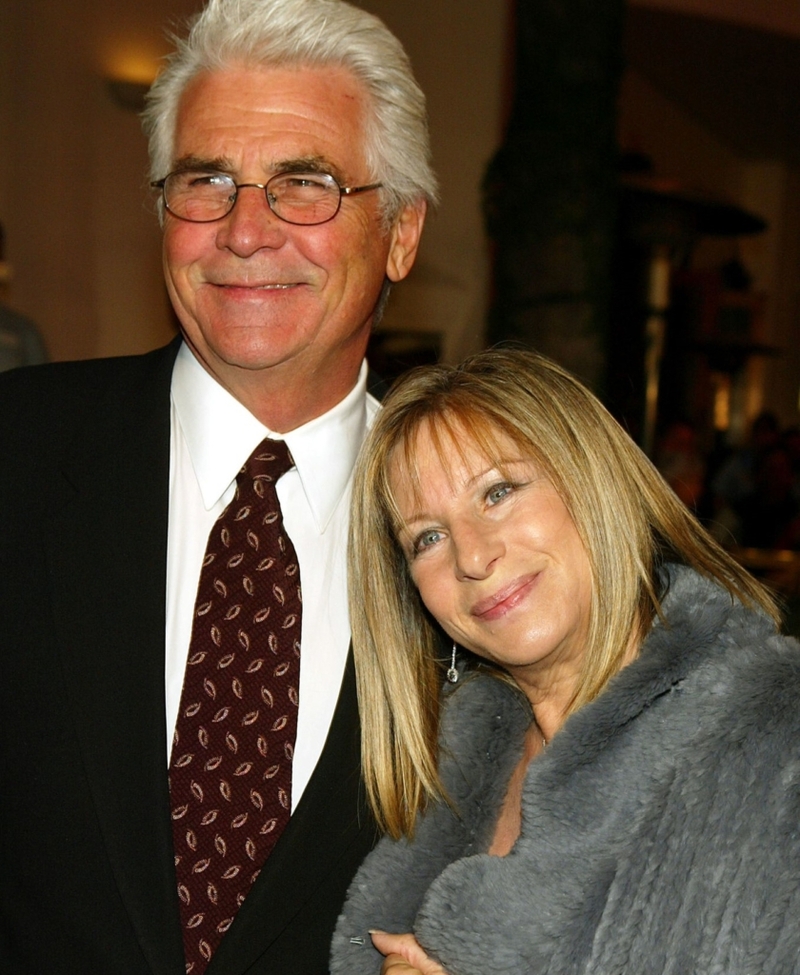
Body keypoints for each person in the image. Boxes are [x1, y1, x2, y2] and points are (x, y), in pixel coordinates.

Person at [0, 0, 434, 972]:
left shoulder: (492, 533)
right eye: (206, 182)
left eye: (303, 185)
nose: (244, 231)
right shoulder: (16, 457)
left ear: (401, 232)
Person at [330, 348, 800, 975]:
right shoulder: (438, 780)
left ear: (591, 480)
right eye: (428, 538)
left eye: (497, 492)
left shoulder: (776, 739)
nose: (471, 556)